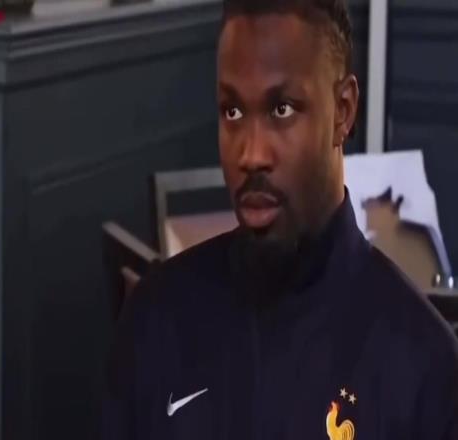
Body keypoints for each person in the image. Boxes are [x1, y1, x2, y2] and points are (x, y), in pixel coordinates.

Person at [102, 0, 458, 439]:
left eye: (282, 110)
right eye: (232, 111)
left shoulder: (425, 368)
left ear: (343, 110)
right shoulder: (155, 319)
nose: (251, 154)